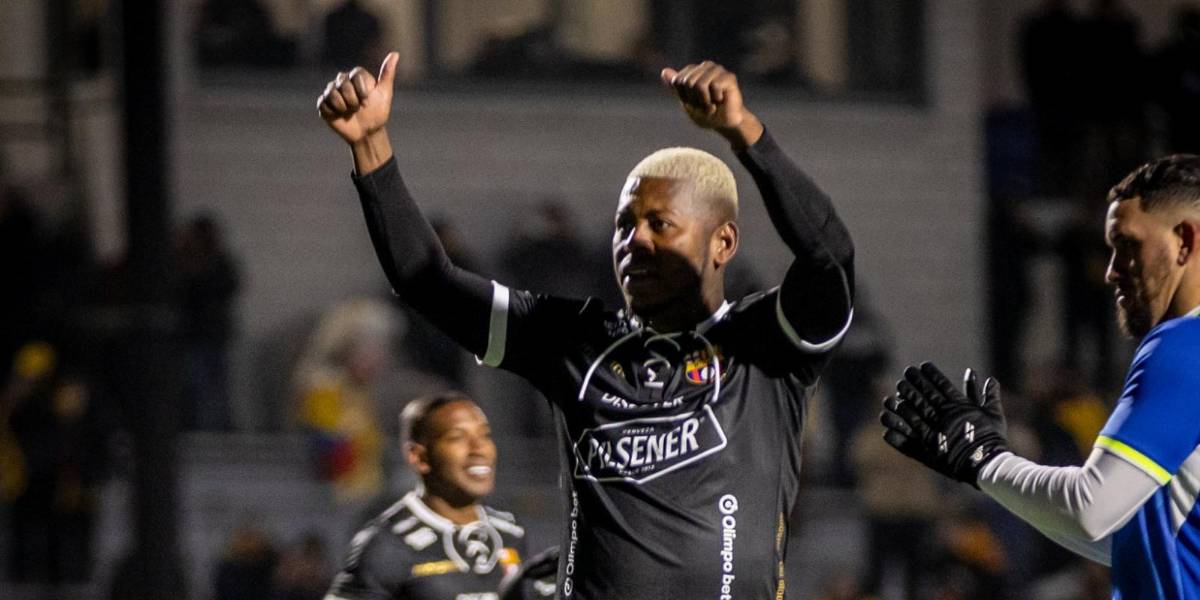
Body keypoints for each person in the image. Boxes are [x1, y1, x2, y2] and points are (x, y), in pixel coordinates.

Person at [318, 50, 854, 598]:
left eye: (659, 224)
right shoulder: (575, 339)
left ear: (724, 242)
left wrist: (745, 133)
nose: (634, 241)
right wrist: (370, 145)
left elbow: (830, 256)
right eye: (624, 225)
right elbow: (428, 284)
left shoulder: (765, 342)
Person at [879, 155, 1200, 599]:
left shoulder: (1184, 346)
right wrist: (988, 474)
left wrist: (986, 460)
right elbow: (1130, 541)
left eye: (1127, 245)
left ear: (1184, 241)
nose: (1110, 271)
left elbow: (1090, 509)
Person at [325, 392, 539, 599]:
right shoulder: (385, 544)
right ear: (418, 456)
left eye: (485, 435)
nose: (479, 449)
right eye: (458, 437)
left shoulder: (510, 532)